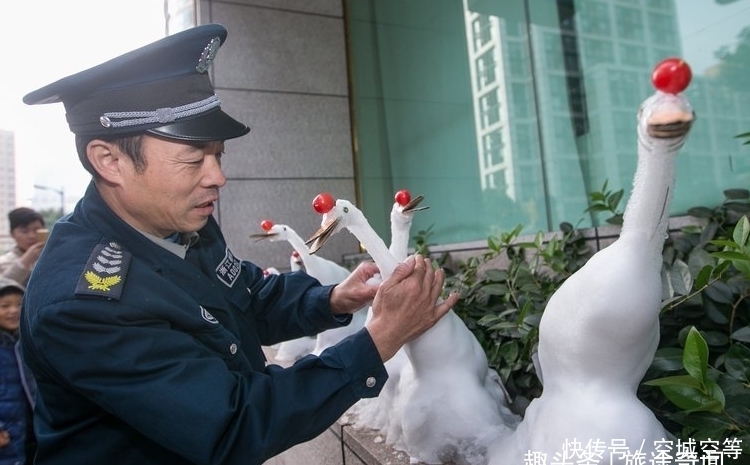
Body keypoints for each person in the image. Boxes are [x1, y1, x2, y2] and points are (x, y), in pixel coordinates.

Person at [19, 23, 457, 465]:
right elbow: (234, 422)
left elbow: (246, 297)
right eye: (193, 160)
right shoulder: (84, 303)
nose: (217, 177)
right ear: (109, 160)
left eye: (218, 155)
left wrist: (335, 299)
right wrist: (380, 338)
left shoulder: (180, 220)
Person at [0, 277, 36, 465]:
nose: (13, 311)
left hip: (29, 431)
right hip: (6, 435)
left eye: (19, 304)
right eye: (4, 306)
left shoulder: (27, 343)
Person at [0, 208, 45, 287]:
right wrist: (27, 260)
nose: (32, 236)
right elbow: (4, 286)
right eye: (24, 231)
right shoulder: (4, 262)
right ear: (12, 234)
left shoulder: (52, 257)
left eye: (37, 230)